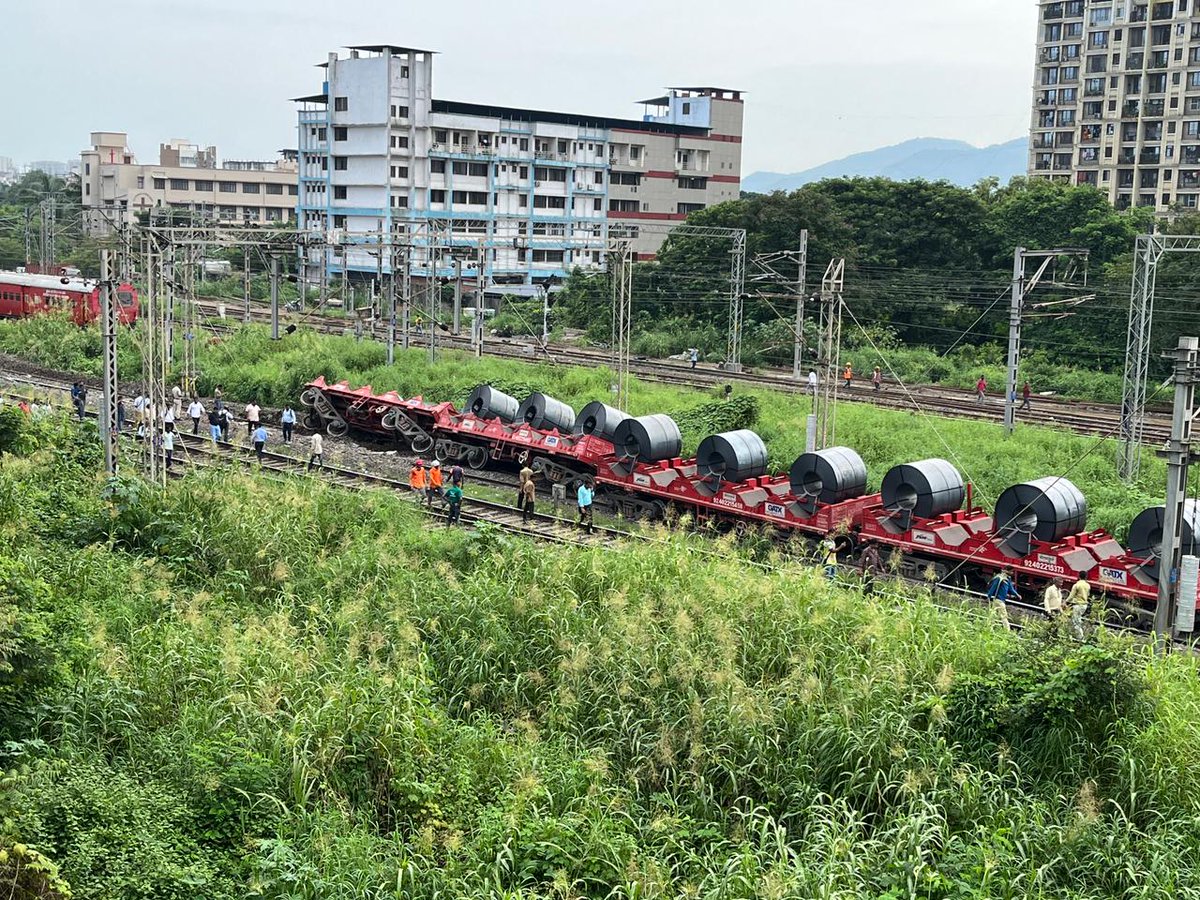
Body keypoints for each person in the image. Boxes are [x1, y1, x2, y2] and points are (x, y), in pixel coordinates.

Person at [1067, 576, 1090, 640]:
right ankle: (1074, 634)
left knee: (1076, 621)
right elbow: (1088, 595)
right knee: (1077, 619)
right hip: (1084, 605)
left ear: (1079, 576)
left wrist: (1066, 602)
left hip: (1078, 605)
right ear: (1086, 577)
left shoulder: (1076, 585)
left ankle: (1080, 637)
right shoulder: (1088, 585)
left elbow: (1071, 596)